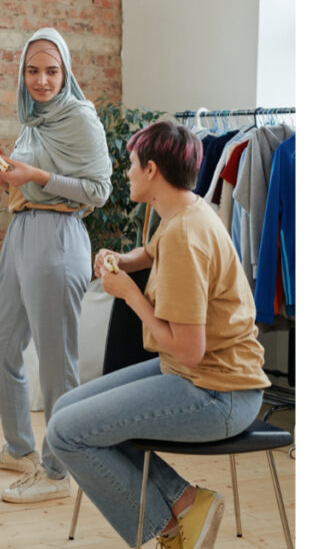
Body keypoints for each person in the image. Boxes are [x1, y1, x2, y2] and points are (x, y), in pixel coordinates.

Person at [45, 121, 270, 548]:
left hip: (217, 393)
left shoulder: (187, 232)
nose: (126, 173)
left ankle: (171, 532)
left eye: (131, 165)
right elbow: (147, 253)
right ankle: (186, 503)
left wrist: (129, 294)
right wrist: (122, 261)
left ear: (151, 170)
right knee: (66, 410)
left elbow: (189, 349)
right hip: (198, 377)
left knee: (66, 433)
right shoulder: (184, 211)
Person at [0, 27, 111, 503]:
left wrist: (36, 175)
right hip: (23, 233)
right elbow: (30, 185)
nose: (42, 80)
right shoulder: (34, 119)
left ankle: (58, 473)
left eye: (52, 71)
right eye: (33, 71)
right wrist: (6, 177)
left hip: (58, 239)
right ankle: (20, 449)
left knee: (57, 366)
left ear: (66, 71)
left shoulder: (80, 118)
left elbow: (98, 190)